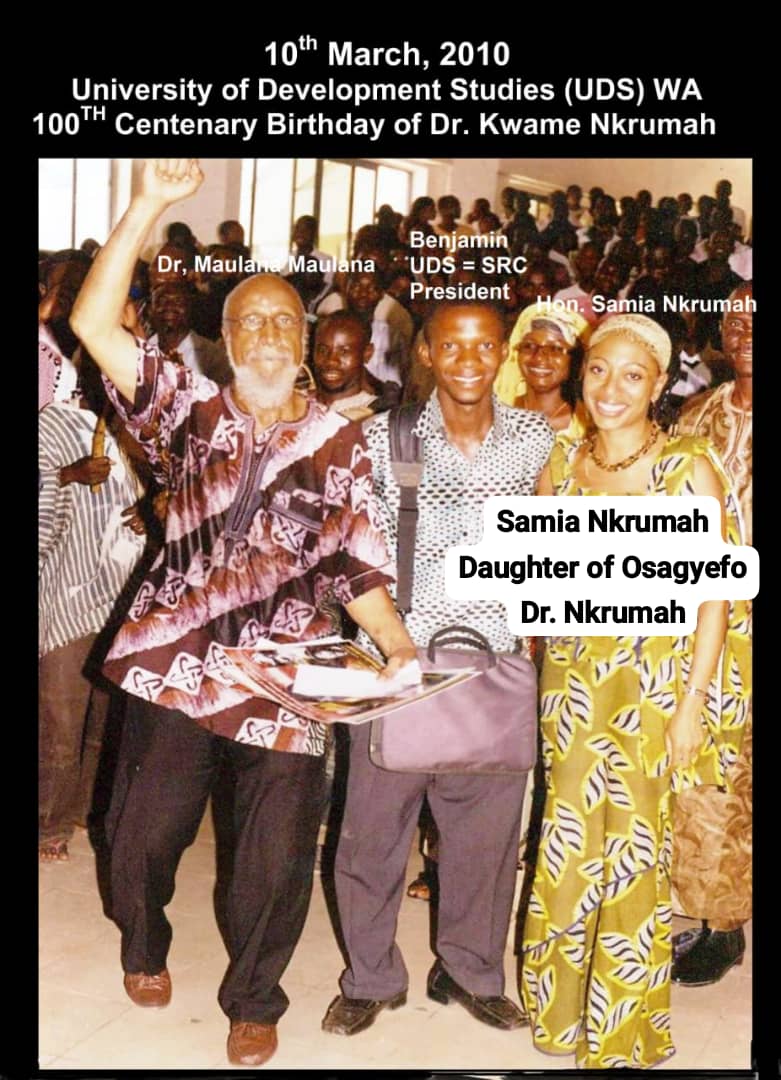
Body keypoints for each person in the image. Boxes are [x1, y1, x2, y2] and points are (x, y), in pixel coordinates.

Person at [69, 159, 418, 1070]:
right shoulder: (184, 410)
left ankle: (255, 999)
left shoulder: (340, 443)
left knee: (273, 856)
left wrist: (397, 647)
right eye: (249, 321)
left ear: (304, 340)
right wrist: (148, 204)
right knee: (141, 835)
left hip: (287, 677)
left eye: (282, 321)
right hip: (175, 661)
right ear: (222, 341)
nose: (266, 333)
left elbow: (355, 562)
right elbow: (93, 324)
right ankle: (143, 940)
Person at [519, 313, 751, 1069]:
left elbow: (714, 596)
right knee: (565, 844)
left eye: (631, 374)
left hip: (654, 686)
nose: (610, 388)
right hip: (573, 684)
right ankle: (559, 1016)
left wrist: (691, 706)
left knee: (632, 854)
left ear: (657, 385)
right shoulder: (561, 462)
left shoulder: (687, 466)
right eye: (598, 370)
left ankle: (620, 1030)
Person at [321, 299, 554, 1039]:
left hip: (495, 665)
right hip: (398, 665)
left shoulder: (535, 439)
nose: (468, 360)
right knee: (371, 837)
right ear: (424, 352)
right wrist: (387, 645)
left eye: (484, 345)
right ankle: (370, 978)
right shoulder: (381, 437)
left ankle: (471, 971)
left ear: (502, 353)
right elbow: (350, 553)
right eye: (451, 345)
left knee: (484, 842)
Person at [670, 282, 753, 985]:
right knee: (718, 779)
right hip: (720, 623)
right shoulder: (695, 416)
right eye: (735, 318)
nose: (745, 329)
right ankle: (720, 924)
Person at [39, 356, 148, 863]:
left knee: (107, 722)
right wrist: (67, 475)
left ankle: (87, 808)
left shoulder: (143, 429)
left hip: (125, 594)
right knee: (60, 720)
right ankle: (50, 823)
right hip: (68, 594)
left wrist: (152, 511)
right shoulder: (53, 424)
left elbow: (178, 492)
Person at [499, 305, 591, 440]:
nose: (539, 357)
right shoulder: (492, 414)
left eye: (556, 348)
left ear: (577, 359)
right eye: (529, 346)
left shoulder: (590, 426)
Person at [311, 312, 400, 421]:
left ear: (367, 354)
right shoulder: (298, 404)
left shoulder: (380, 417)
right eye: (322, 350)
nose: (331, 361)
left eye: (343, 352)